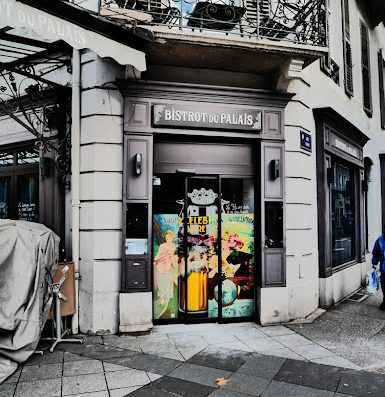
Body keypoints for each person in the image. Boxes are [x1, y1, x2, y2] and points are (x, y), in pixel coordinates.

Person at [371, 226, 385, 310]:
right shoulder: (380, 240)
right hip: (384, 269)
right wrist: (374, 264)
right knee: (384, 285)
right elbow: (375, 253)